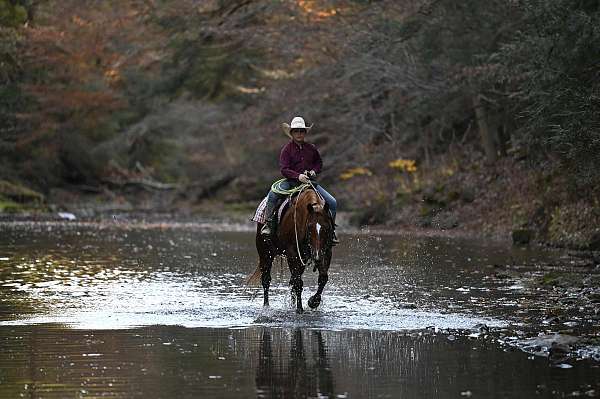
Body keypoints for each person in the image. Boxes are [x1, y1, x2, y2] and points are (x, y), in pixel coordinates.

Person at [261, 116, 339, 244]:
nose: (299, 133)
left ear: (305, 133)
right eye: (296, 131)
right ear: (291, 133)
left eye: (301, 131)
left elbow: (319, 163)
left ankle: (331, 232)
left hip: (309, 184)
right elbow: (284, 169)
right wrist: (298, 176)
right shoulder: (286, 150)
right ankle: (268, 225)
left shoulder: (311, 148)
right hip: (291, 183)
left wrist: (314, 171)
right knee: (272, 195)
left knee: (333, 202)